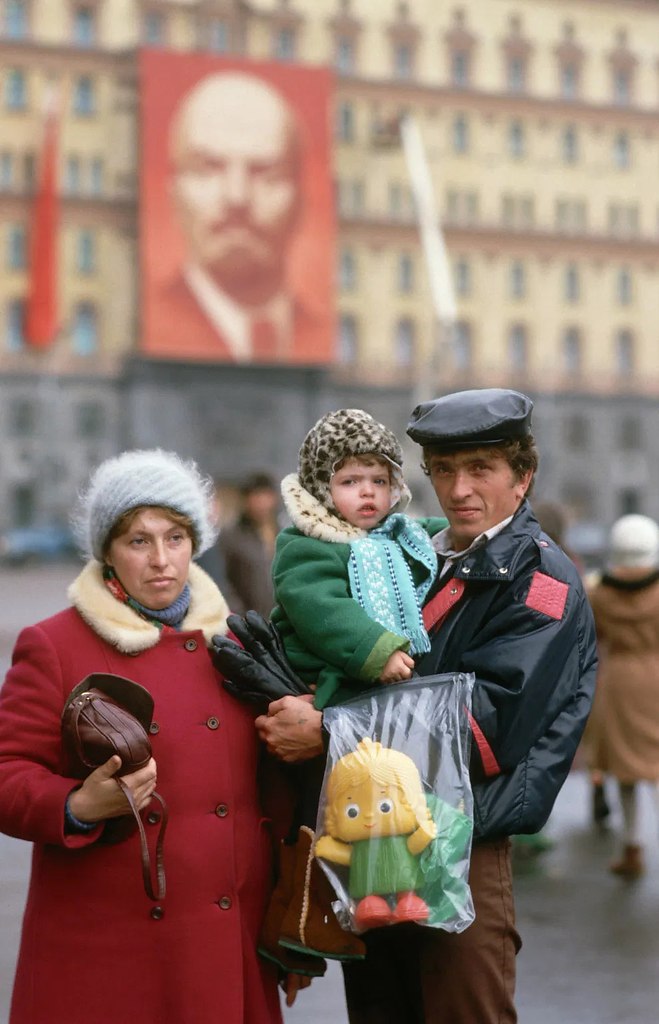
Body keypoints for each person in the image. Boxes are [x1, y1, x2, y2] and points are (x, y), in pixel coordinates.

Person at [255, 388, 598, 1024]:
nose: (459, 488)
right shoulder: (422, 555)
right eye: (444, 469)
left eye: (481, 469)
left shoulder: (543, 585)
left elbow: (483, 729)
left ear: (522, 478)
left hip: (464, 846)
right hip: (376, 840)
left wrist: (329, 733)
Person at [0, 448, 304, 1024]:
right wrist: (77, 805)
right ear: (108, 553)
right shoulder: (55, 645)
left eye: (176, 537)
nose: (161, 560)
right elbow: (7, 771)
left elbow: (274, 795)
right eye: (138, 541)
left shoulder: (238, 646)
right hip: (105, 956)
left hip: (227, 943)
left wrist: (287, 927)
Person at [258, 408, 446, 966]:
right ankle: (302, 915)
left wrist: (470, 537)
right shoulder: (307, 545)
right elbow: (322, 611)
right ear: (322, 489)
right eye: (349, 481)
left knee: (374, 811)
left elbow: (444, 545)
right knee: (325, 810)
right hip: (328, 686)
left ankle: (383, 896)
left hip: (369, 704)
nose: (367, 493)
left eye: (379, 480)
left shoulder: (403, 537)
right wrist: (378, 650)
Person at [152, 71, 325, 362]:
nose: (237, 197)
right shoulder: (159, 317)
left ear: (300, 200)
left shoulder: (316, 333)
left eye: (267, 172)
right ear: (174, 194)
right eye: (207, 168)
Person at [587, 513, 659, 879]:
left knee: (626, 771)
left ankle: (631, 848)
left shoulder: (599, 593)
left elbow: (594, 633)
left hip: (619, 683)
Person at [219, 472, 281, 618]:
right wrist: (242, 616)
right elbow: (225, 581)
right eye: (255, 497)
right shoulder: (232, 537)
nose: (261, 503)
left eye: (265, 496)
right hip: (250, 620)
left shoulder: (283, 532)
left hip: (282, 620)